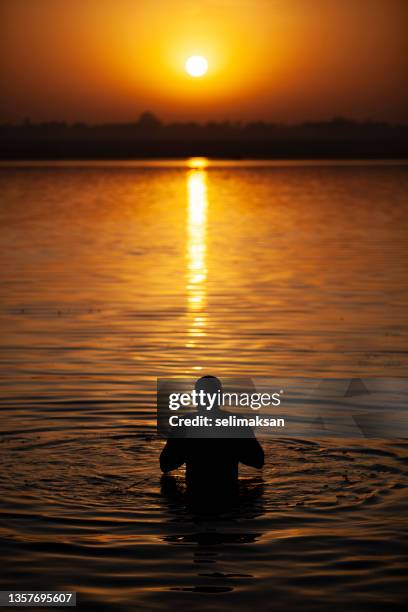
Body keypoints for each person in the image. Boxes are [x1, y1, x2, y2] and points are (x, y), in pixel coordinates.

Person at [160, 375, 264, 499]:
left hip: (195, 498)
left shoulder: (184, 424)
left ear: (196, 399)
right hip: (228, 498)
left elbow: (165, 466)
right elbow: (258, 461)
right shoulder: (236, 423)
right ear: (220, 398)